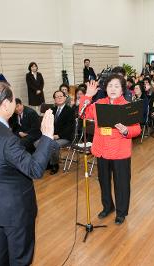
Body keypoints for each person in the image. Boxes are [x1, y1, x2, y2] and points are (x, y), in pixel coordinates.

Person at [0, 81, 57, 266]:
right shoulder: (6, 138)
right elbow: (34, 169)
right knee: (20, 259)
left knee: (1, 253)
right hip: (16, 211)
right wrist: (47, 137)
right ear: (4, 104)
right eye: (12, 98)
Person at [79, 74, 141, 225]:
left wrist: (126, 131)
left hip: (120, 153)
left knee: (121, 184)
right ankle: (108, 207)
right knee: (104, 182)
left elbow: (137, 129)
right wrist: (87, 96)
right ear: (105, 88)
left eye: (117, 86)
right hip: (102, 151)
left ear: (122, 90)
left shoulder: (127, 106)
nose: (113, 89)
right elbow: (83, 114)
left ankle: (121, 212)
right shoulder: (99, 103)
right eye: (110, 86)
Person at [47, 90, 76, 174]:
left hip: (65, 137)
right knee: (38, 143)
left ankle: (54, 164)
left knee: (53, 145)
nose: (59, 98)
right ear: (54, 99)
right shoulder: (52, 110)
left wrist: (58, 136)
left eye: (61, 96)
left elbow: (70, 127)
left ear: (64, 98)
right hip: (52, 135)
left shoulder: (70, 110)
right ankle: (48, 163)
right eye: (57, 97)